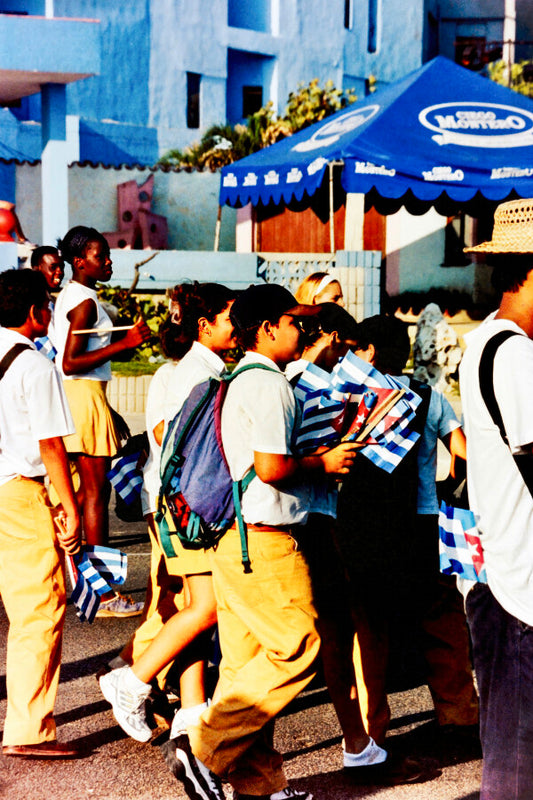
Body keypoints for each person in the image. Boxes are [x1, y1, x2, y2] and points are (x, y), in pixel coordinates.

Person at [163, 283, 364, 800]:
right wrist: (325, 462)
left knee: (243, 667)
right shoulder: (270, 383)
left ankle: (258, 787)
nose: (305, 331)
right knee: (298, 649)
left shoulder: (234, 378)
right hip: (267, 542)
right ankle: (202, 746)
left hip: (233, 540)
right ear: (269, 328)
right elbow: (272, 468)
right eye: (296, 323)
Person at [100, 282, 237, 742]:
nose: (238, 326)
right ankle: (131, 679)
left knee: (197, 606)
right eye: (230, 317)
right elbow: (172, 437)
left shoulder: (205, 367)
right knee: (204, 606)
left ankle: (191, 706)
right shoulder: (194, 373)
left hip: (183, 503)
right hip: (187, 507)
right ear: (205, 324)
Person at [335, 314, 477, 749]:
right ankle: (458, 714)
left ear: (369, 353)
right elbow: (462, 452)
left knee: (371, 625)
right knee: (442, 615)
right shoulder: (430, 396)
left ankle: (372, 727)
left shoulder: (350, 396)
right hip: (423, 519)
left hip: (367, 525)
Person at [459, 198, 533, 800]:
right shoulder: (514, 354)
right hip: (519, 584)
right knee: (516, 763)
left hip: (499, 570)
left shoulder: (484, 341)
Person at [0, 268, 81, 758]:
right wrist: (68, 507)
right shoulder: (35, 366)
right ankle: (29, 729)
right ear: (36, 313)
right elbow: (51, 445)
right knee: (37, 609)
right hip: (19, 492)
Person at [53, 225, 151, 617]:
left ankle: (73, 579)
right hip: (82, 396)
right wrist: (126, 343)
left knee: (76, 496)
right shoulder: (85, 302)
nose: (109, 261)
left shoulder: (74, 295)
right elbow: (71, 361)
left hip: (79, 397)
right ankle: (105, 593)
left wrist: (122, 348)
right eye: (101, 256)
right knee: (95, 496)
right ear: (80, 262)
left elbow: (91, 357)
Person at [30, 245, 65, 360]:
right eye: (53, 267)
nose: (59, 272)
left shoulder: (53, 302)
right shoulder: (32, 302)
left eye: (61, 267)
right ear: (36, 269)